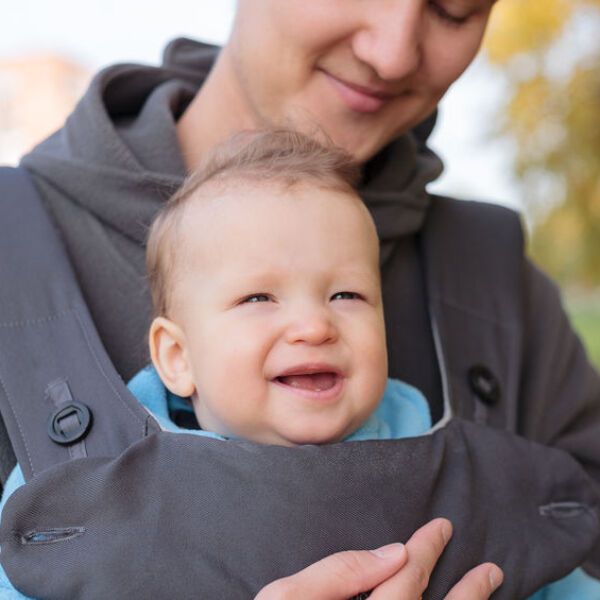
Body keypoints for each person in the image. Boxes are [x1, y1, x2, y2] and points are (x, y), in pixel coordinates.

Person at [4, 0, 600, 596]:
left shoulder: (495, 274)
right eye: (259, 297)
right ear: (174, 356)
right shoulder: (17, 252)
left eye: (454, 9)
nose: (392, 54)